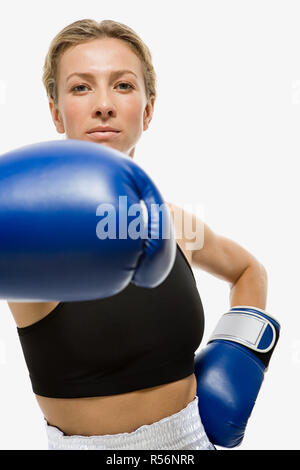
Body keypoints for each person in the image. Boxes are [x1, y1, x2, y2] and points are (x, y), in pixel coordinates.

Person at [6, 19, 269, 450]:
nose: (104, 104)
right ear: (56, 112)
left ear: (148, 110)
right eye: (80, 88)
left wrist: (239, 355)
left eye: (123, 86)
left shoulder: (176, 224)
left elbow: (248, 270)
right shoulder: (30, 231)